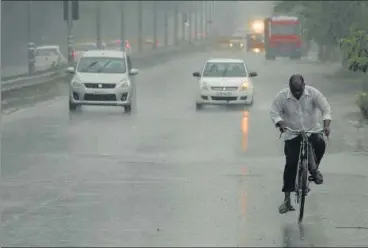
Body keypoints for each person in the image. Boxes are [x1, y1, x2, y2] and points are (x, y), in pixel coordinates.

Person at [270, 74, 332, 214]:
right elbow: (274, 112)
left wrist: (326, 125)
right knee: (291, 163)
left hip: (312, 130)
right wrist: (281, 123)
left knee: (320, 144)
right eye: (294, 91)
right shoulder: (282, 96)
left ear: (304, 85)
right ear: (290, 87)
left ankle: (313, 169)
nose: (297, 94)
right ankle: (287, 200)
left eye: (299, 90)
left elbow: (326, 109)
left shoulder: (313, 93)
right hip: (292, 132)